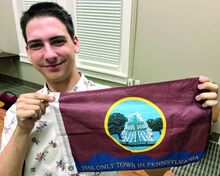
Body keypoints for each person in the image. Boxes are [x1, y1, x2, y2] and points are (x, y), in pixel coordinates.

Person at [0, 2, 219, 176]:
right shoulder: (17, 113)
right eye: (37, 45)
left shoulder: (113, 106)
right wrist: (21, 130)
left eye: (57, 41)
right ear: (28, 52)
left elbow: (155, 170)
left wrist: (201, 118)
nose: (49, 54)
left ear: (75, 43)